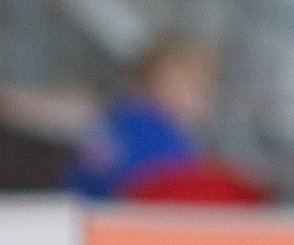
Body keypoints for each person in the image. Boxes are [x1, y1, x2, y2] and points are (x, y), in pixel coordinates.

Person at [71, 36, 216, 198]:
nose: (205, 99)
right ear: (159, 84)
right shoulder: (163, 137)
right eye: (195, 89)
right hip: (121, 215)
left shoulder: (115, 117)